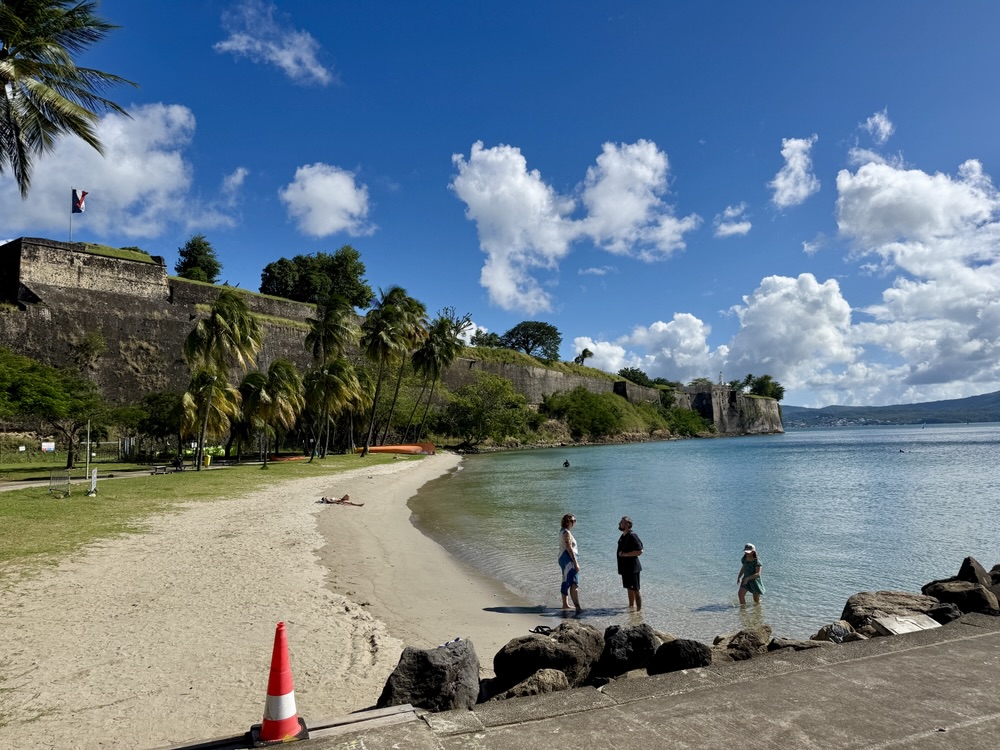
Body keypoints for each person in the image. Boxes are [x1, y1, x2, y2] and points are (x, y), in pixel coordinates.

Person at [616, 516, 644, 610]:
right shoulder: (623, 535)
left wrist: (626, 555)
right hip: (625, 568)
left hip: (632, 568)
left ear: (627, 524)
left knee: (635, 589)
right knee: (629, 588)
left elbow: (640, 551)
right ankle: (631, 607)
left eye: (621, 522)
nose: (619, 523)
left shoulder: (632, 535)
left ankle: (639, 611)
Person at [559, 513, 582, 613]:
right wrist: (575, 562)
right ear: (566, 521)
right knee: (574, 583)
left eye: (574, 521)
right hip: (568, 560)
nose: (573, 523)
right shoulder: (566, 533)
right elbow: (569, 548)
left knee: (565, 580)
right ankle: (578, 608)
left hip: (563, 559)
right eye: (572, 521)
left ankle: (565, 604)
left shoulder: (563, 531)